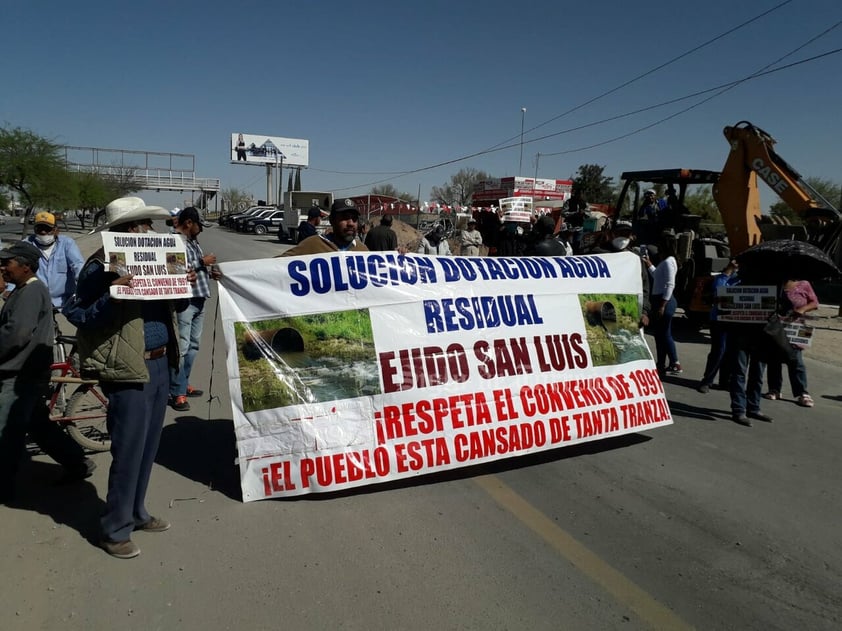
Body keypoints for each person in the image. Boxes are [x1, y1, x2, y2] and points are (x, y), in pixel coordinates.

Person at [63, 196, 180, 559]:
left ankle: (136, 511)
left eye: (148, 223)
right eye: (142, 224)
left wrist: (187, 282)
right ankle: (115, 529)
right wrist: (112, 297)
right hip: (127, 368)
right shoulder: (98, 266)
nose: (149, 229)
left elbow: (174, 304)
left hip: (159, 363)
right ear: (126, 229)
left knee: (147, 448)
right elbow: (76, 313)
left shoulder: (160, 258)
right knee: (128, 449)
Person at [1, 241, 94, 505]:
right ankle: (77, 463)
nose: (2, 268)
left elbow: (16, 334)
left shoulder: (30, 292)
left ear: (26, 266)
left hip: (20, 374)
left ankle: (4, 487)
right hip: (27, 371)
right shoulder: (23, 290)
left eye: (7, 263)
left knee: (6, 435)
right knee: (39, 425)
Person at [169, 207, 220, 412]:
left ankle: (183, 384)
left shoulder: (192, 241)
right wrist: (202, 261)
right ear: (189, 223)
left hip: (199, 299)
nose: (201, 230)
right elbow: (173, 267)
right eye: (199, 225)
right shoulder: (173, 240)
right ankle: (177, 392)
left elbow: (194, 270)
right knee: (181, 349)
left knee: (193, 347)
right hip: (185, 301)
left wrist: (209, 272)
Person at [764, 278, 819, 407]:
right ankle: (774, 389)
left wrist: (802, 309)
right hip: (775, 328)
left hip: (795, 329)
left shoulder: (804, 284)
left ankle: (802, 392)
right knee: (774, 360)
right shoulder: (775, 284)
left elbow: (815, 303)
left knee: (796, 361)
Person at [21, 211, 85, 308]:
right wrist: (10, 289)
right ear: (34, 229)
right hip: (36, 301)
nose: (43, 232)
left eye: (47, 229)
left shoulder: (67, 243)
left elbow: (78, 265)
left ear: (56, 230)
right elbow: (17, 267)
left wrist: (84, 285)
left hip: (63, 302)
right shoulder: (26, 245)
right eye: (39, 228)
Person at [697, 260, 739, 393]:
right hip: (719, 319)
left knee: (731, 352)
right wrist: (729, 270)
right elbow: (718, 290)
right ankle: (707, 381)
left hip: (735, 320)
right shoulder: (721, 278)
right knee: (719, 350)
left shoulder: (742, 279)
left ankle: (724, 381)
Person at [644, 233, 681, 375]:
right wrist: (649, 265)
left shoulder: (669, 261)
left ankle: (675, 362)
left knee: (664, 334)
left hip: (664, 300)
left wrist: (662, 305)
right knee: (659, 334)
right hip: (660, 299)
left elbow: (670, 284)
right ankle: (661, 364)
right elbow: (657, 277)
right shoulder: (666, 261)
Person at [281, 199, 369, 256]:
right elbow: (275, 267)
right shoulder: (312, 244)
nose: (351, 223)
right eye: (344, 218)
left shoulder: (362, 250)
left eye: (354, 219)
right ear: (332, 220)